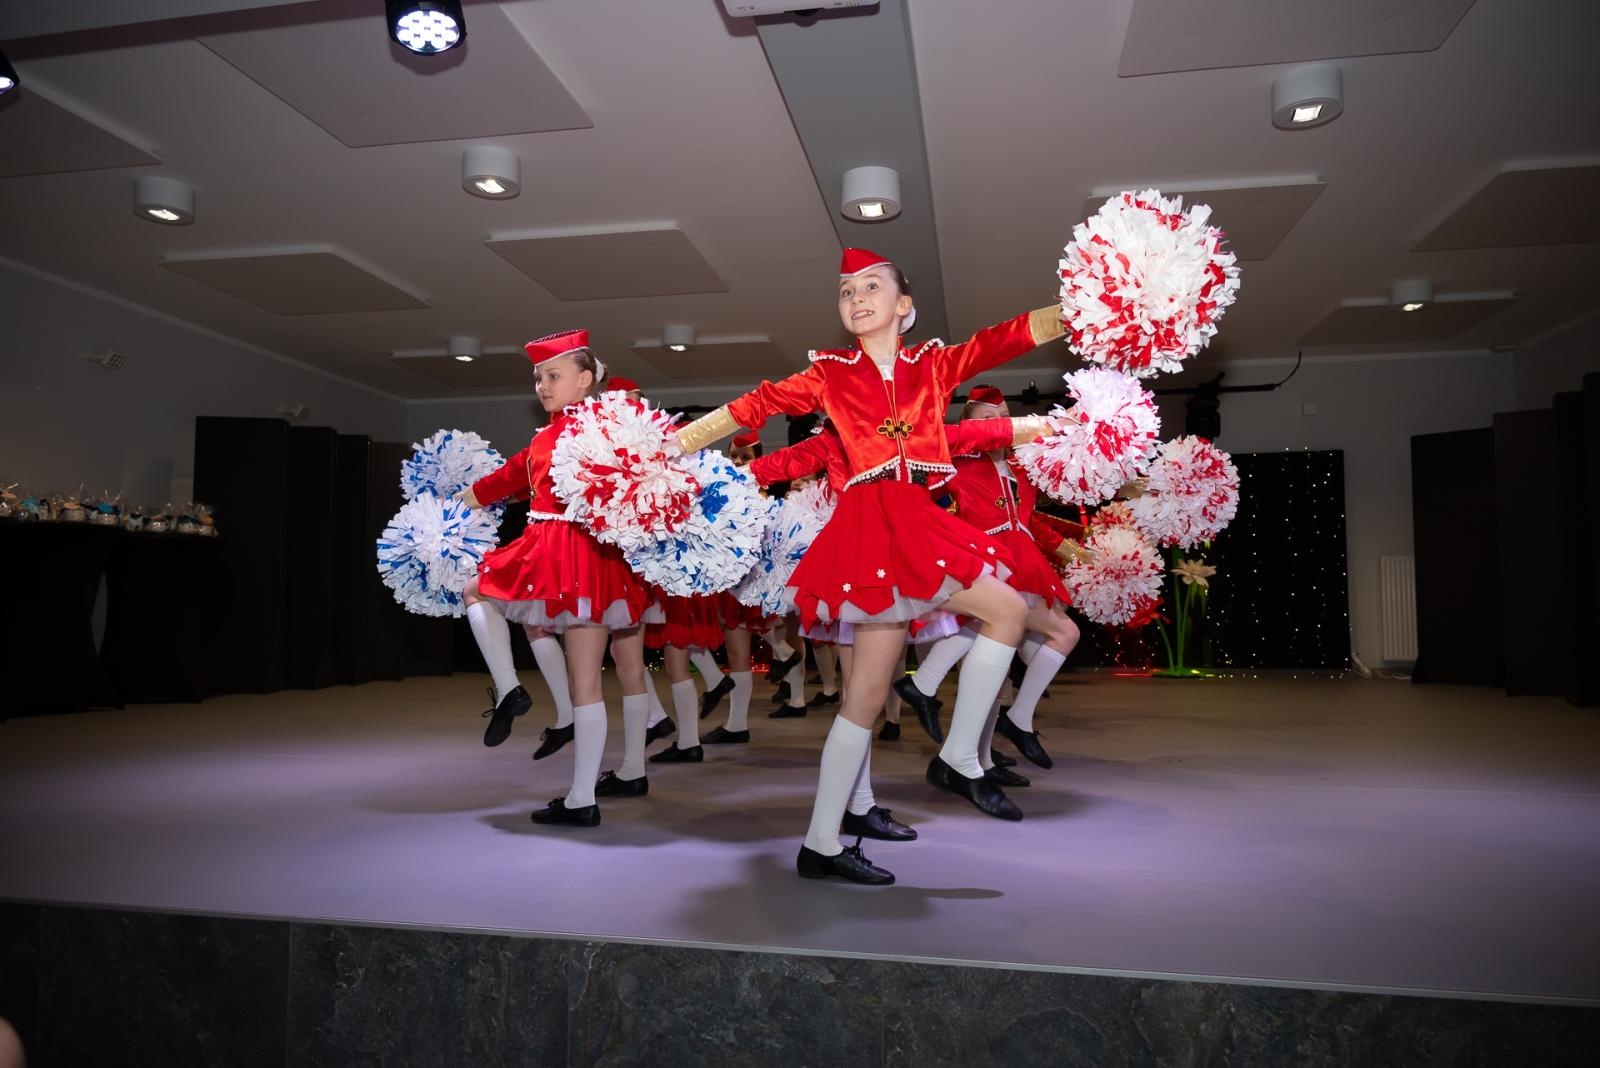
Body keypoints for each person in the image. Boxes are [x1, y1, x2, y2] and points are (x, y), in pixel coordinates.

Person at [673, 247, 1067, 884]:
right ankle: (942, 769)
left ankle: (832, 836)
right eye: (846, 291)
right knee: (935, 653)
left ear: (904, 306)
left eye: (872, 286)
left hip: (916, 518)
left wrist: (1071, 314)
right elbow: (756, 405)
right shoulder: (830, 374)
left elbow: (999, 341)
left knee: (951, 644)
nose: (857, 298)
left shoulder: (934, 367)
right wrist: (670, 445)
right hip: (871, 523)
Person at [459, 330, 655, 827]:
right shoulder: (550, 435)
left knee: (476, 591)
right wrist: (462, 500)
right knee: (585, 683)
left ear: (585, 380)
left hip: (560, 551)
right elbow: (507, 478)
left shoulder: (598, 428)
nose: (542, 386)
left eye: (552, 376)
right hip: (588, 563)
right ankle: (580, 798)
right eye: (537, 379)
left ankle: (510, 691)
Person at [894, 385, 1082, 774]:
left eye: (1004, 417)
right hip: (987, 562)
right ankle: (1011, 725)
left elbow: (1029, 523)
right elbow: (923, 503)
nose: (998, 425)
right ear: (968, 426)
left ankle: (976, 751)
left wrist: (1073, 550)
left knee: (993, 658)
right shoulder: (957, 463)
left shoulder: (1022, 466)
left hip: (1024, 563)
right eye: (985, 419)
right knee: (1058, 634)